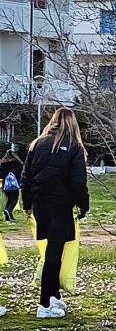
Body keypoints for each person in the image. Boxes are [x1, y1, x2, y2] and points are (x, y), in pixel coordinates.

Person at [20, 107, 89, 319]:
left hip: (41, 202)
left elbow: (26, 176)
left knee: (52, 249)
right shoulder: (75, 147)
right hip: (60, 203)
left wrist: (27, 203)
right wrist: (83, 205)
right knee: (54, 254)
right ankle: (44, 303)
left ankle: (53, 295)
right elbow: (78, 182)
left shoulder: (37, 144)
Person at [1, 148, 24, 221]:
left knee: (9, 199)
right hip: (15, 183)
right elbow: (23, 169)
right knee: (14, 199)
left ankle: (8, 215)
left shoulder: (3, 163)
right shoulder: (17, 163)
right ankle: (8, 210)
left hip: (6, 184)